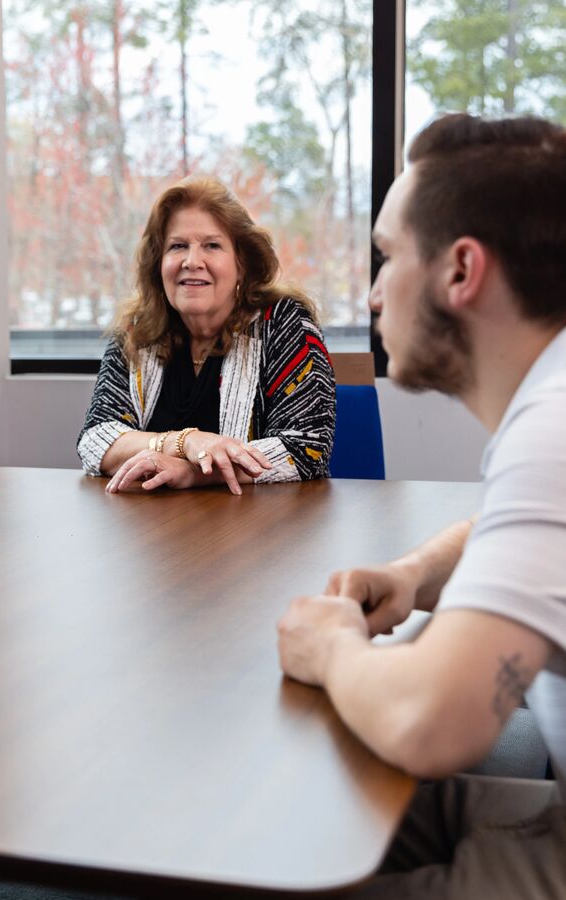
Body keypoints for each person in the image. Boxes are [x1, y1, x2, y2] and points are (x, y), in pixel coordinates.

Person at [278, 113, 566, 899]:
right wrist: (417, 572)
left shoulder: (553, 429)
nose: (372, 294)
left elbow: (433, 727)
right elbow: (524, 531)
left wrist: (331, 646)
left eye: (386, 257)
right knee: (295, 831)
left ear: (461, 270)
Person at [77, 177, 335, 495]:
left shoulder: (281, 321)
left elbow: (306, 449)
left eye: (211, 245)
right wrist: (183, 442)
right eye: (178, 246)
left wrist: (191, 472)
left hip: (260, 530)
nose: (192, 261)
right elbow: (95, 439)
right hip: (149, 530)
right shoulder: (136, 331)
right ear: (159, 263)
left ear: (241, 263)